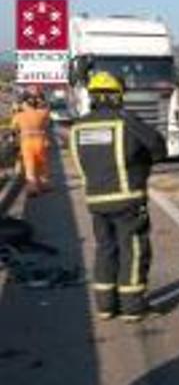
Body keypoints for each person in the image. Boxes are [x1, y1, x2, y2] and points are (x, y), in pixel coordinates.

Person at [69, 71, 167, 322]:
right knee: (133, 250)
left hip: (96, 201)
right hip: (128, 200)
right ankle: (132, 307)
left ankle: (105, 306)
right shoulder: (126, 121)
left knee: (105, 250)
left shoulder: (78, 127)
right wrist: (142, 164)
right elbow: (158, 147)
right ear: (118, 96)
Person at [11, 87, 51, 196]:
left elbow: (14, 129)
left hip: (26, 143)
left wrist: (16, 110)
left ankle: (32, 188)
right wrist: (42, 104)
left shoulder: (19, 115)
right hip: (41, 142)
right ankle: (45, 184)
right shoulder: (42, 113)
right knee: (42, 164)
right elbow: (47, 121)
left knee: (29, 166)